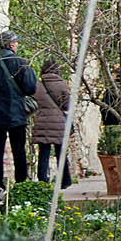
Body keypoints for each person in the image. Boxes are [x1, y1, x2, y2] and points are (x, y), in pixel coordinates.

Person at [0, 30, 36, 202]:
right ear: (10, 45)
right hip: (16, 113)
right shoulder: (21, 64)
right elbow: (31, 88)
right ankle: (21, 186)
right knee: (19, 151)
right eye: (16, 42)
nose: (17, 45)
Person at [32, 60, 73, 188]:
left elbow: (33, 103)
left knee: (43, 153)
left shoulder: (37, 86)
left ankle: (43, 181)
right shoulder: (63, 85)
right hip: (59, 123)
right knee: (61, 152)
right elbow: (67, 105)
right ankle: (65, 181)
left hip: (42, 121)